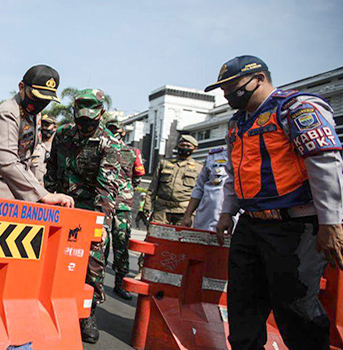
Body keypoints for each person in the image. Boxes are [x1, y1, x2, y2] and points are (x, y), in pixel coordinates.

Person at [210, 55, 343, 350]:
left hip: (296, 226)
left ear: (258, 78)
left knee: (296, 310)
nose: (227, 93)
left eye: (231, 85)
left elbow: (325, 164)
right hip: (250, 225)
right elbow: (234, 173)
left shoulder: (297, 108)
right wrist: (225, 214)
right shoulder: (237, 123)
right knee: (243, 307)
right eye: (223, 88)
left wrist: (331, 222)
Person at [44, 88, 115, 344]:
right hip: (61, 204)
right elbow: (51, 168)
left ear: (101, 115)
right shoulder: (62, 134)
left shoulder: (110, 143)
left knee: (94, 258)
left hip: (90, 208)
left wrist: (102, 223)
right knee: (49, 256)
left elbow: (107, 187)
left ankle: (88, 312)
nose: (85, 126)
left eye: (90, 122)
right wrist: (44, 199)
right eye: (81, 120)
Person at [0, 64, 73, 207]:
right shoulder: (7, 113)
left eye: (46, 100)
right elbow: (8, 162)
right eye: (36, 97)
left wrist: (41, 193)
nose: (40, 103)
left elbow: (24, 161)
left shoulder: (33, 115)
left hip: (14, 183)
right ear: (21, 87)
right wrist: (44, 195)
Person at [102, 116, 145, 300]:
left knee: (121, 242)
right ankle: (97, 281)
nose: (114, 133)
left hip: (122, 204)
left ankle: (120, 282)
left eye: (116, 130)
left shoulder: (132, 152)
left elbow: (138, 175)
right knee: (101, 243)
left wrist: (126, 191)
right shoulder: (102, 148)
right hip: (104, 202)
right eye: (110, 129)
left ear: (123, 133)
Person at [143, 134, 203, 225]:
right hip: (161, 209)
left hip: (184, 211)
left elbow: (200, 192)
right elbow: (153, 187)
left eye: (188, 146)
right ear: (177, 146)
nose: (185, 148)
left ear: (194, 149)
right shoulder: (164, 163)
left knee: (179, 238)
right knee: (155, 236)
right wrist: (148, 205)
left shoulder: (199, 167)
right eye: (182, 145)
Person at [180, 147, 229, 231]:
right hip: (206, 219)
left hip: (232, 221)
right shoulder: (215, 156)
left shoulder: (252, 157)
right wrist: (188, 214)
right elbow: (199, 188)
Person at [33, 114, 56, 184]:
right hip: (35, 188)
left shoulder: (58, 147)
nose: (44, 128)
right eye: (42, 125)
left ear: (55, 127)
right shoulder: (34, 146)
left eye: (47, 125)